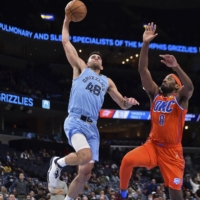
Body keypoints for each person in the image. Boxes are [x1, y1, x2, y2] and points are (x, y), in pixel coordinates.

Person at [47, 13, 139, 200]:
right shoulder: (80, 68)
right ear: (87, 62)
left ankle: (67, 199)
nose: (95, 57)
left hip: (92, 127)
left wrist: (128, 103)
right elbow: (66, 42)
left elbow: (121, 104)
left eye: (98, 57)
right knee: (84, 155)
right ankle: (57, 162)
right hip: (75, 120)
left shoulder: (107, 81)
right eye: (92, 56)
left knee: (86, 173)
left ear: (102, 65)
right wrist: (66, 20)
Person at [119, 22, 194, 200]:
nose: (165, 79)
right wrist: (145, 44)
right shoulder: (155, 94)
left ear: (177, 86)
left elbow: (190, 88)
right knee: (127, 160)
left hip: (172, 151)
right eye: (165, 77)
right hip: (152, 145)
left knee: (176, 194)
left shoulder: (180, 99)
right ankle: (121, 195)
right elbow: (142, 69)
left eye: (169, 78)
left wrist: (176, 67)